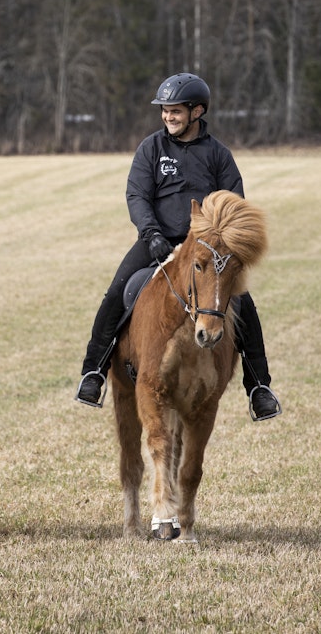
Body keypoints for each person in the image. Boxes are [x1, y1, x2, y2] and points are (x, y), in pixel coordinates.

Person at [73, 72, 281, 422]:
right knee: (115, 293)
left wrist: (216, 241)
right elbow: (137, 194)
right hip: (158, 241)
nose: (168, 116)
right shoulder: (151, 148)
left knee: (244, 306)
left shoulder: (218, 155)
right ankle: (92, 372)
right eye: (165, 110)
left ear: (197, 111)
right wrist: (151, 233)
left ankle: (259, 386)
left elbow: (234, 204)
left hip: (205, 251)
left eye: (176, 111)